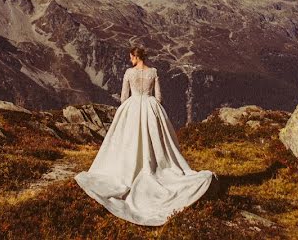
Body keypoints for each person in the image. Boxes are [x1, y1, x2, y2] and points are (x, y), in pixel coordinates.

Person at [74, 46, 216, 226]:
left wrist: (129, 108)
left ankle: (131, 166)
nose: (130, 60)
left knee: (128, 141)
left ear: (135, 56)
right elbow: (159, 97)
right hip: (151, 108)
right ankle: (154, 164)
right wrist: (151, 107)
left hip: (132, 107)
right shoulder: (154, 72)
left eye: (131, 57)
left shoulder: (129, 73)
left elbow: (124, 97)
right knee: (156, 141)